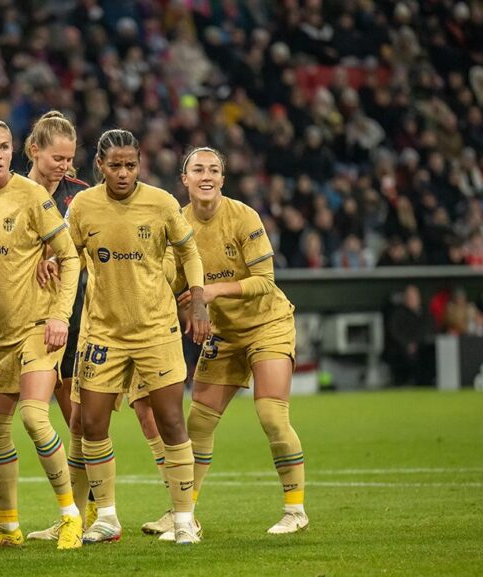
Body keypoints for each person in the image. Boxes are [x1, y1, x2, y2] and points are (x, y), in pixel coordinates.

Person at [0, 111, 91, 542]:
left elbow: (68, 256)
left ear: (15, 151)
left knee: (34, 417)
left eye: (3, 147)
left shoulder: (33, 195)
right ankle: (8, 526)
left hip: (39, 325)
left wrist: (59, 317)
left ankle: (71, 516)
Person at [64, 129, 208, 545]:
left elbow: (189, 252)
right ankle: (107, 517)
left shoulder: (161, 203)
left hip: (155, 329)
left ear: (140, 163)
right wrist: (53, 266)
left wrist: (197, 299)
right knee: (91, 423)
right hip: (103, 332)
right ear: (100, 166)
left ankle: (183, 519)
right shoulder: (83, 206)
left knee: (170, 420)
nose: (123, 173)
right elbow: (69, 254)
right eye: (115, 165)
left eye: (130, 165)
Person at [175, 146, 309, 535]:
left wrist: (211, 293)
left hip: (267, 324)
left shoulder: (243, 216)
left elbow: (265, 281)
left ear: (222, 179)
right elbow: (171, 278)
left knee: (270, 414)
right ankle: (186, 515)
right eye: (198, 169)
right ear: (184, 179)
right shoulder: (177, 224)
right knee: (197, 422)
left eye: (214, 170)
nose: (206, 175)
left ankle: (295, 510)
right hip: (224, 333)